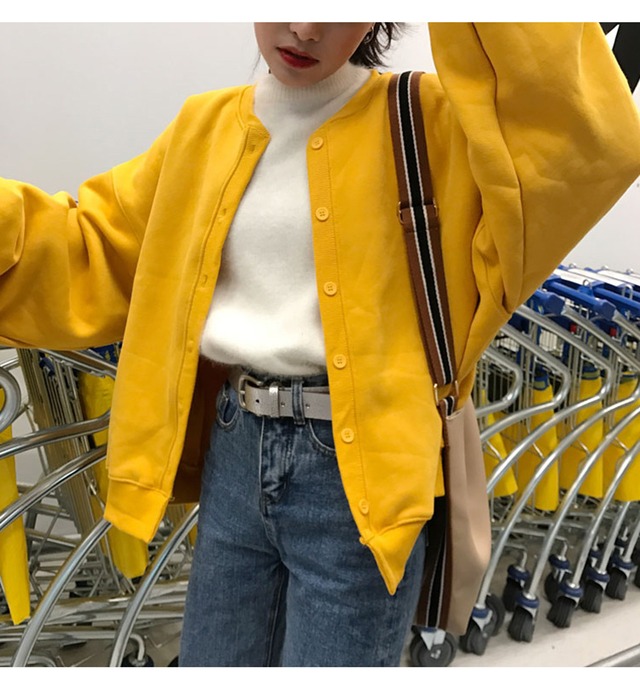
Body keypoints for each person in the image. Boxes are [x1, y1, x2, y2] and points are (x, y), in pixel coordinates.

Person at [0, 22, 639, 667]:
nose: (305, 26)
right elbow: (91, 248)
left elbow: (583, 146)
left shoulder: (428, 122)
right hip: (234, 450)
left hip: (359, 475)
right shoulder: (205, 128)